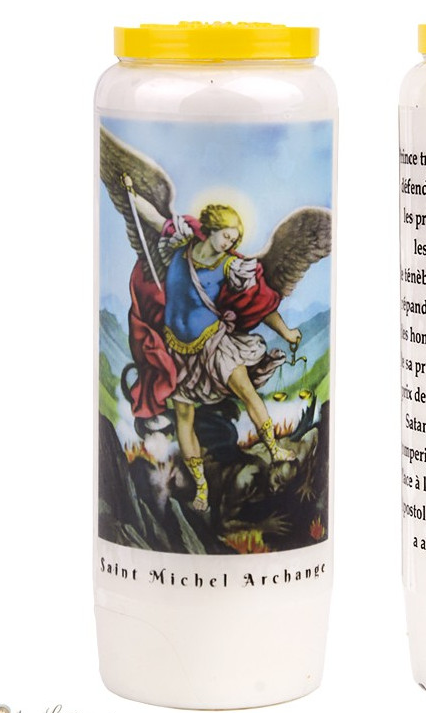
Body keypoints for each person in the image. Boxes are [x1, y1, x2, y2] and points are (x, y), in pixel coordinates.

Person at [126, 198, 303, 510]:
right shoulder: (179, 246)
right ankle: (201, 488)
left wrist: (287, 332)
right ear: (211, 229)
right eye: (227, 235)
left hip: (215, 345)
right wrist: (129, 190)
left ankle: (274, 449)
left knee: (247, 392)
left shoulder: (230, 267)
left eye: (234, 239)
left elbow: (260, 305)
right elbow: (152, 218)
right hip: (177, 352)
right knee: (184, 416)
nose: (230, 243)